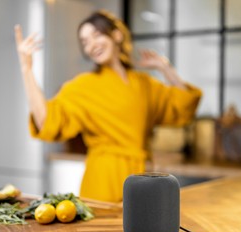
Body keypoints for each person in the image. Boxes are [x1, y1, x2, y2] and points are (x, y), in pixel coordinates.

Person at [14, 10, 202, 203]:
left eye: (96, 35)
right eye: (85, 41)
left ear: (116, 35)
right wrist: (27, 69)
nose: (91, 45)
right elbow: (45, 121)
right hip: (103, 182)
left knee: (140, 231)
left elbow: (184, 106)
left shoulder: (144, 84)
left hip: (142, 179)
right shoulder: (83, 86)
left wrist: (165, 68)